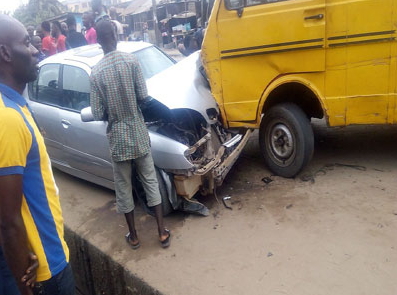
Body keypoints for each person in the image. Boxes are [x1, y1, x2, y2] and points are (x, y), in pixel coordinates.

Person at [0, 14, 75, 295]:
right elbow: (7, 219)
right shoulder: (6, 118)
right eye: (26, 43)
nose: (35, 50)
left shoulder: (13, 106)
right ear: (5, 53)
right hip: (44, 269)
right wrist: (23, 280)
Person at [90, 20, 171, 249]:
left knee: (123, 188)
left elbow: (96, 112)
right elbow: (143, 96)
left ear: (97, 40)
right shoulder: (131, 61)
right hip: (137, 132)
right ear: (115, 35)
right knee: (150, 182)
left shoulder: (96, 73)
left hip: (117, 139)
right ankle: (162, 232)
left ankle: (134, 237)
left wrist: (110, 110)